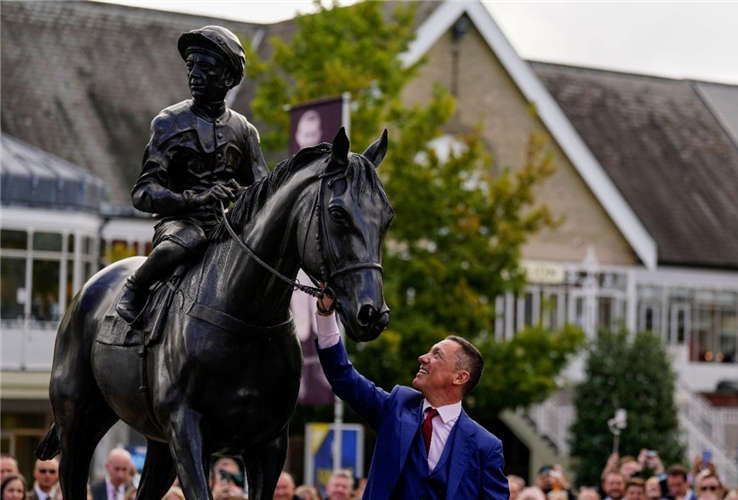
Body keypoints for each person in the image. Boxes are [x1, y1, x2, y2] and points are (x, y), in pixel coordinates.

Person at [115, 25, 269, 323]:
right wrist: (196, 198)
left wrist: (238, 193)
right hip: (178, 224)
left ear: (227, 77)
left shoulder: (244, 131)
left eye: (205, 66)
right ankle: (134, 287)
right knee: (190, 238)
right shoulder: (169, 123)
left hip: (225, 227)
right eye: (191, 65)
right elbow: (143, 193)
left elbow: (263, 191)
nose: (194, 74)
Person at [314, 291, 509, 499]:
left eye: (437, 355)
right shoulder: (395, 406)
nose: (423, 358)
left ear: (460, 377)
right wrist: (326, 313)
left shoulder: (485, 446)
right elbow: (343, 377)